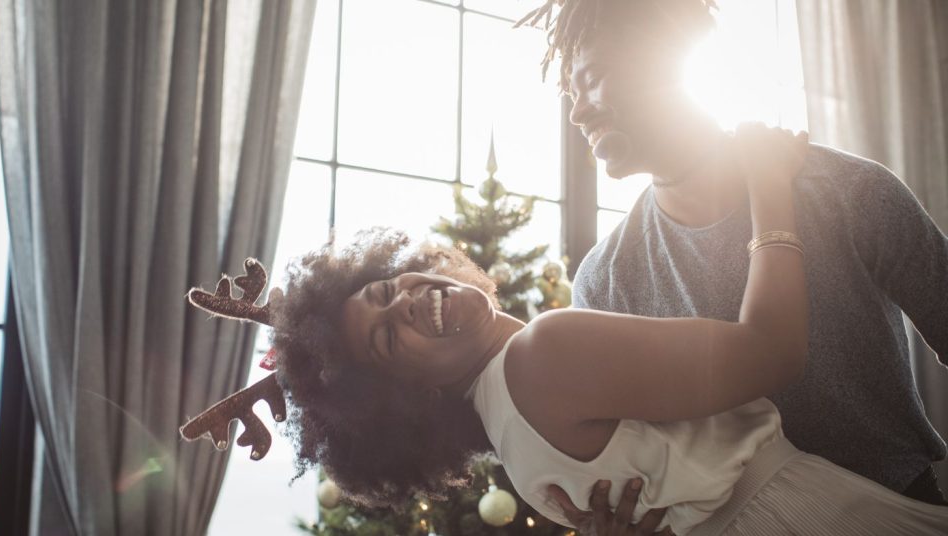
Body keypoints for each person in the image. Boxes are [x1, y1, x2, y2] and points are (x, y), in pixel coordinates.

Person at [188, 125, 948, 535]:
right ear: (411, 395)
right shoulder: (543, 353)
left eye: (388, 287)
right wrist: (770, 189)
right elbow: (774, 351)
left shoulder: (520, 454)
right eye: (389, 337)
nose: (409, 301)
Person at [513, 0, 948, 530]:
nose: (577, 113)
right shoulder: (604, 281)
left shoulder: (847, 192)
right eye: (570, 95)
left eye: (594, 79)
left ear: (668, 58)